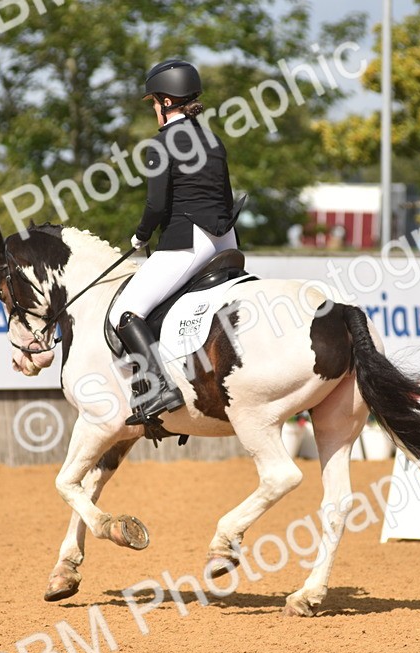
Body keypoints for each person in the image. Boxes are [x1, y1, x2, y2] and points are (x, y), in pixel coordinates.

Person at [112, 59, 243, 427]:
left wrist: (140, 235)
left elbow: (156, 204)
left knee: (127, 311)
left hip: (190, 241)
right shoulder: (214, 141)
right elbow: (226, 196)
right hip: (225, 241)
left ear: (167, 102)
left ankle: (159, 391)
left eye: (154, 102)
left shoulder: (162, 143)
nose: (154, 109)